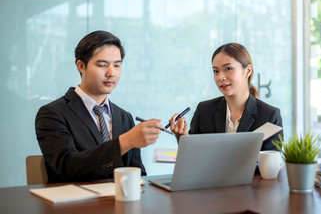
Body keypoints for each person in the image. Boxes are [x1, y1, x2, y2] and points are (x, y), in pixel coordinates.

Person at [35, 30, 163, 183]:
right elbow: (66, 168)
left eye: (117, 65)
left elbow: (137, 173)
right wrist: (125, 142)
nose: (111, 73)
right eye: (102, 65)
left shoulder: (124, 117)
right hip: (75, 203)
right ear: (81, 66)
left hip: (120, 201)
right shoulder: (52, 113)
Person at [169, 43, 283, 151]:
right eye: (216, 71)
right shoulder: (204, 111)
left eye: (228, 69)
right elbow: (194, 160)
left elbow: (270, 167)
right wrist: (182, 139)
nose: (220, 77)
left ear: (247, 71)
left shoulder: (270, 116)